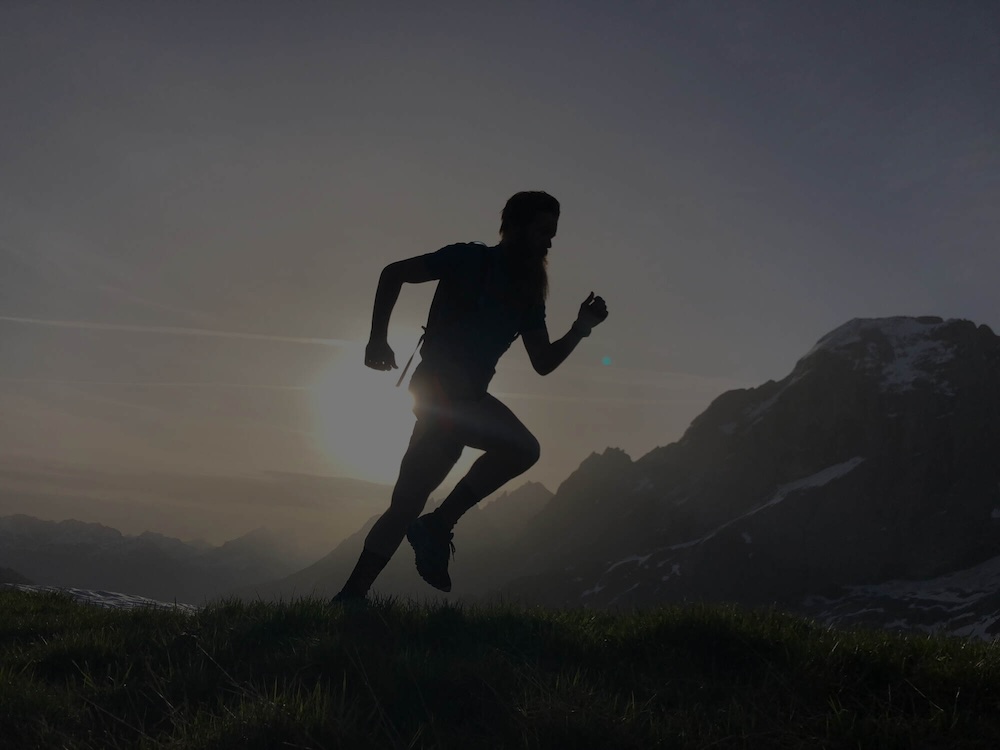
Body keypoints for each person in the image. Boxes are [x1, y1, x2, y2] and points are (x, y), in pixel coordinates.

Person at [332, 191, 608, 603]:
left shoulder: (529, 294)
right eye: (543, 232)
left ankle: (352, 595)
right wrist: (377, 339)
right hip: (441, 398)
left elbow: (543, 362)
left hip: (467, 402)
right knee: (522, 450)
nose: (549, 242)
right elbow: (393, 273)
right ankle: (436, 527)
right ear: (514, 227)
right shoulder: (468, 259)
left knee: (406, 506)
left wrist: (581, 328)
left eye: (553, 234)